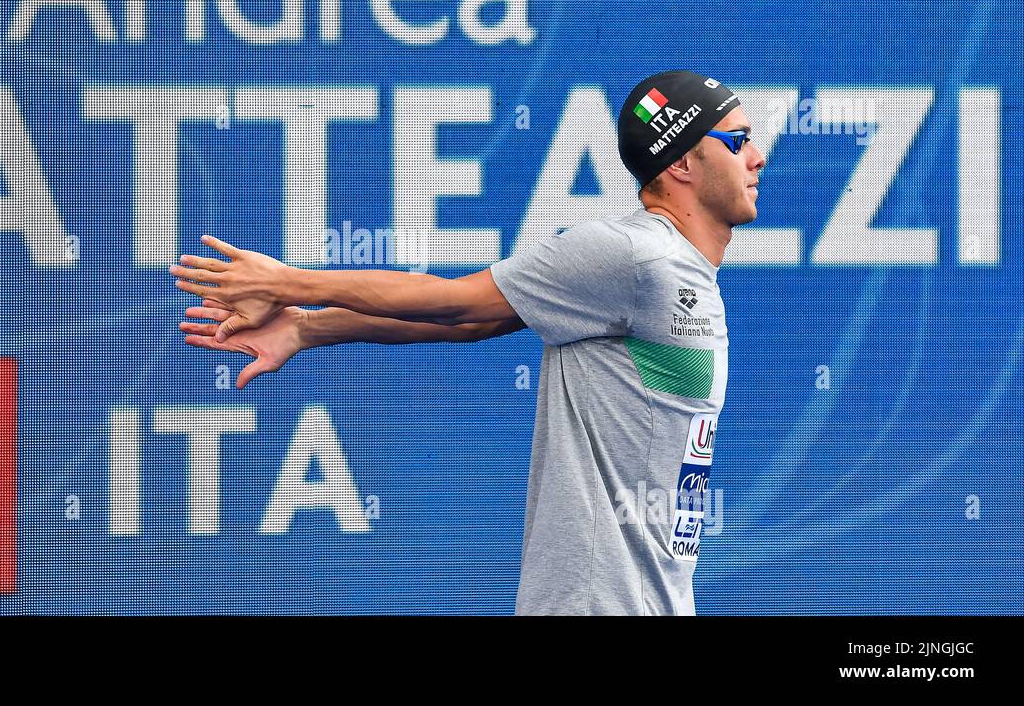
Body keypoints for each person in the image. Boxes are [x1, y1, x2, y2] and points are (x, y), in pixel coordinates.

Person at [170, 70, 767, 615]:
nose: (758, 157)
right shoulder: (635, 256)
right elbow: (451, 301)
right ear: (683, 164)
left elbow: (476, 323)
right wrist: (285, 282)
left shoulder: (669, 272)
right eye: (737, 142)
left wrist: (309, 325)